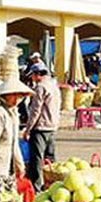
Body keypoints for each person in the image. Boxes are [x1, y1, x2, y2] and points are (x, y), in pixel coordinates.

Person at [23, 64, 61, 192]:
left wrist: (28, 129)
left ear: (37, 75)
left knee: (37, 159)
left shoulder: (40, 87)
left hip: (41, 127)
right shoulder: (54, 86)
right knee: (50, 159)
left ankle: (37, 187)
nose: (32, 78)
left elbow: (35, 111)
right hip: (52, 126)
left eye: (33, 75)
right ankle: (53, 185)